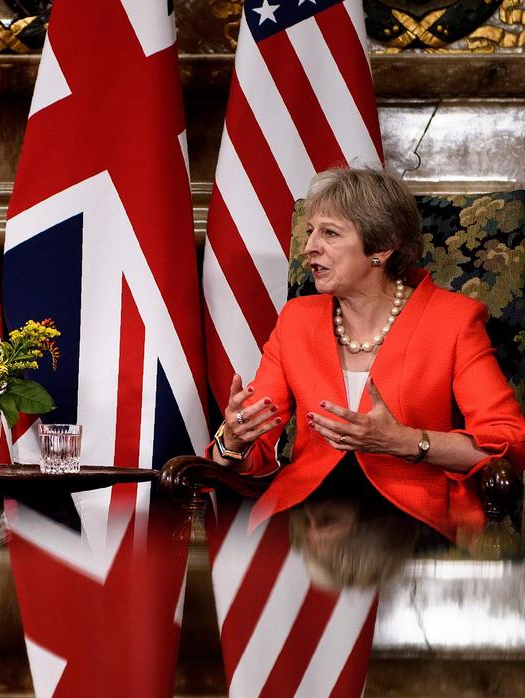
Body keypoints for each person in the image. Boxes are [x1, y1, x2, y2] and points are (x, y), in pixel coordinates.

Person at [209, 167, 525, 547]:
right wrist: (234, 439)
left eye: (330, 233)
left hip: (413, 522)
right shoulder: (297, 319)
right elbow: (254, 445)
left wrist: (405, 441)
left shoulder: (453, 320)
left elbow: (509, 441)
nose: (309, 246)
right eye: (310, 231)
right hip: (309, 518)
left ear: (380, 248)